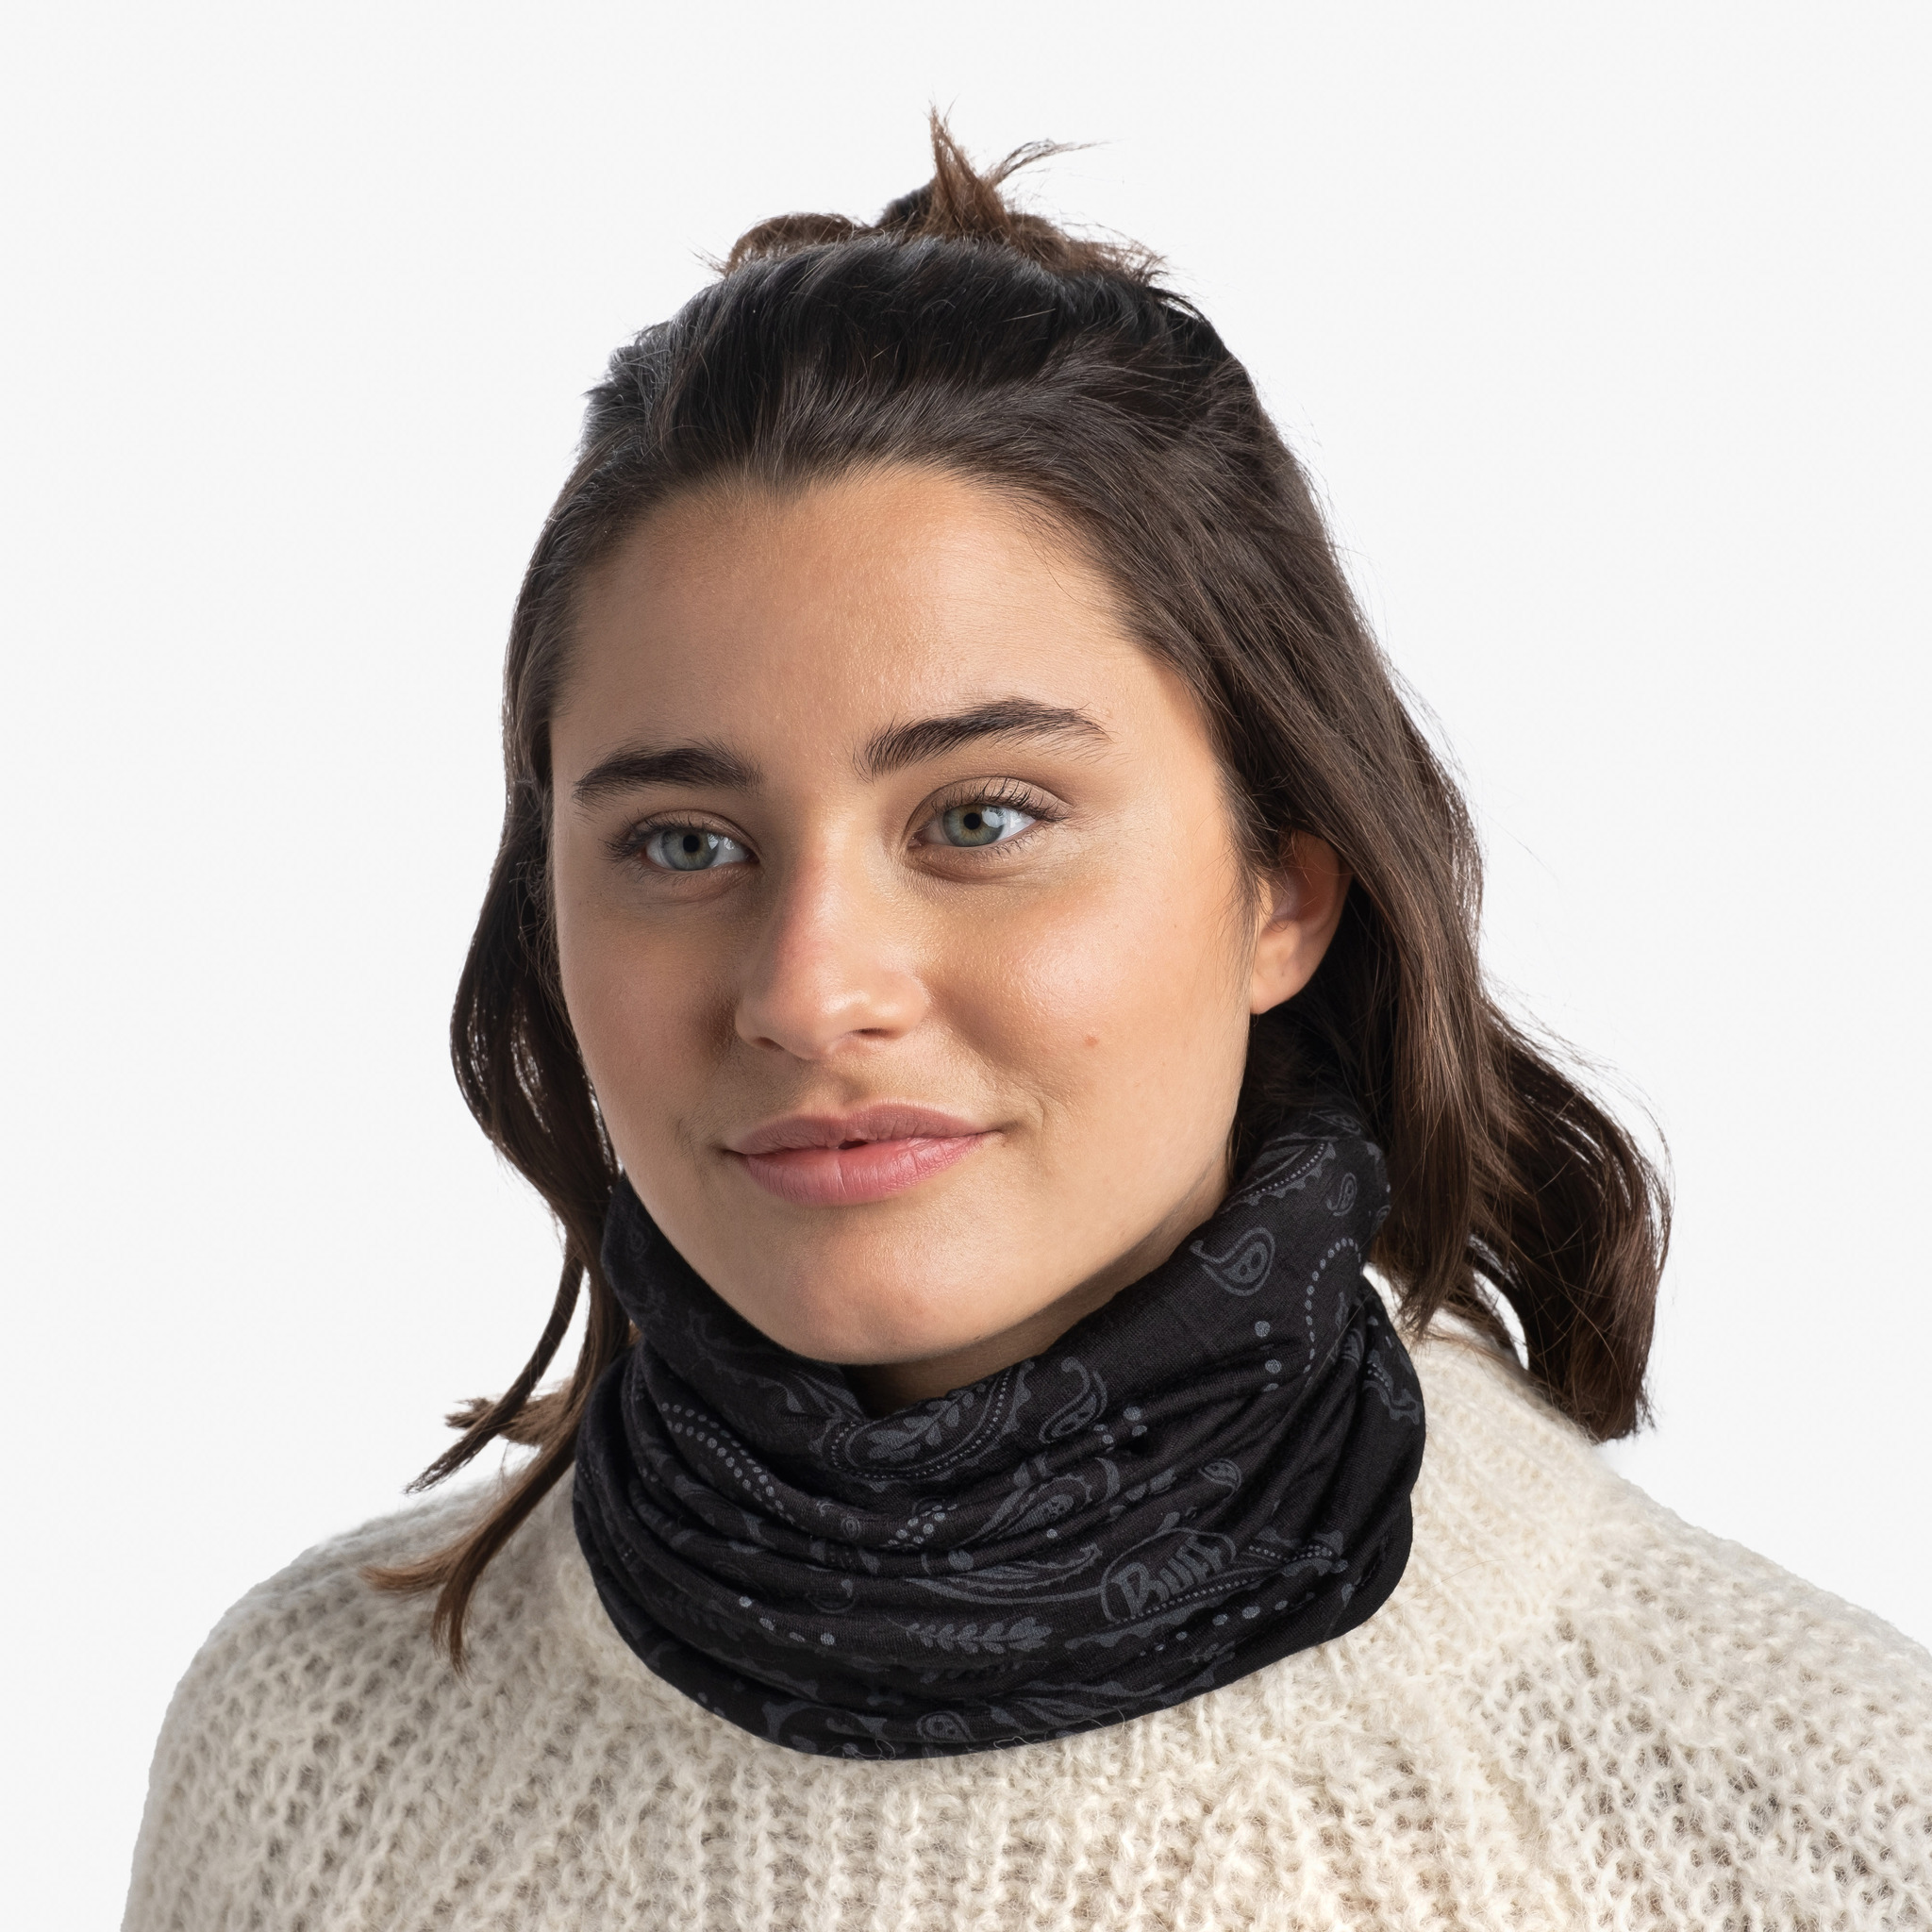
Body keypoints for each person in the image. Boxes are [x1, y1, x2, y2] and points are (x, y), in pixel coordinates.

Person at [123, 123, 1931, 1929]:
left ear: (1284, 892)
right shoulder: (307, 1754)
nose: (812, 990)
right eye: (683, 843)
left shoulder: (1819, 1829)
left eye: (981, 819)